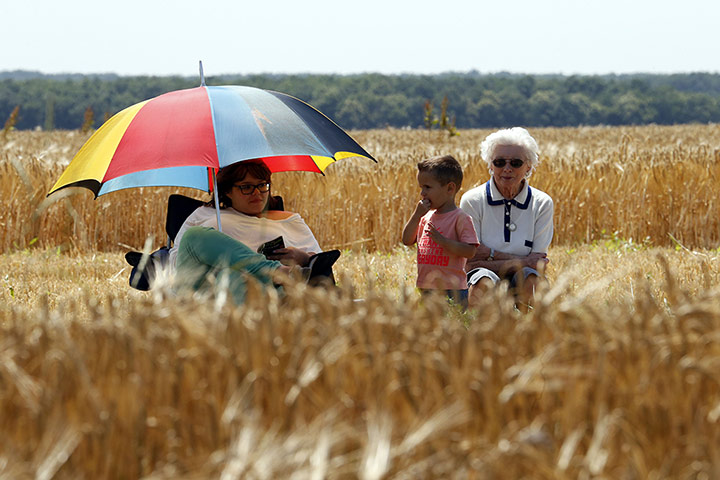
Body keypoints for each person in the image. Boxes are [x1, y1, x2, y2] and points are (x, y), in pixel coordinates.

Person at [168, 160, 336, 304]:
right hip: (204, 290)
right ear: (227, 191)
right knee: (195, 237)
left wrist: (303, 258)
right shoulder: (204, 214)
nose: (257, 193)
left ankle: (278, 284)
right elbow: (177, 262)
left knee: (233, 276)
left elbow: (320, 267)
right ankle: (274, 271)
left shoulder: (290, 220)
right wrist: (224, 257)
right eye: (246, 187)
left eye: (262, 185)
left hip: (265, 295)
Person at [459, 127, 554, 311]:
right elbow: (471, 262)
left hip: (524, 276)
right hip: (482, 276)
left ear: (528, 166)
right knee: (483, 283)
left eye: (516, 163)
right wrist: (523, 260)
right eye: (500, 162)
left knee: (532, 282)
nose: (507, 169)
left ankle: (531, 334)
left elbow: (538, 265)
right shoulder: (472, 200)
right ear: (490, 164)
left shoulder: (542, 203)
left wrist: (490, 255)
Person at [402, 155, 478, 308]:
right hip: (426, 286)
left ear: (450, 188)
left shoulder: (460, 218)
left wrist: (444, 242)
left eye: (428, 187)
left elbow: (470, 251)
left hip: (453, 289)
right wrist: (417, 215)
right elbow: (406, 240)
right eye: (421, 188)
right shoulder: (425, 217)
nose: (422, 193)